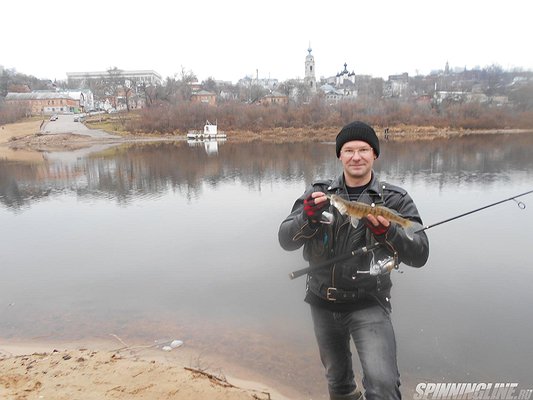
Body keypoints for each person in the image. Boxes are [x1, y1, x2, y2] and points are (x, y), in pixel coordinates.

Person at [278, 121, 429, 400]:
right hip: (322, 304)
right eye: (348, 150)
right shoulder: (319, 193)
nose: (356, 156)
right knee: (338, 382)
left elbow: (420, 253)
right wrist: (306, 217)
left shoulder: (395, 199)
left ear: (375, 155)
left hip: (369, 303)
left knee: (383, 386)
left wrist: (390, 232)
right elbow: (286, 240)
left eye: (363, 149)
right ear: (339, 155)